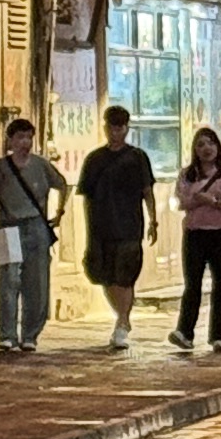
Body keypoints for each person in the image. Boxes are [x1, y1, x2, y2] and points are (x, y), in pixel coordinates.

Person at [76, 103, 159, 350]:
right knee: (104, 276)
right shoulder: (94, 160)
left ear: (126, 129)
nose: (115, 133)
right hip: (101, 227)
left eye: (119, 128)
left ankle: (122, 322)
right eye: (111, 128)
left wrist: (153, 220)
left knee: (125, 276)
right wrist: (89, 229)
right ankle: (122, 317)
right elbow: (86, 196)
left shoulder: (137, 158)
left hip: (129, 226)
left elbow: (147, 191)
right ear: (105, 128)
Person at [0, 114, 68, 353]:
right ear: (10, 140)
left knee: (36, 282)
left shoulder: (41, 165)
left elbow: (62, 184)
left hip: (35, 226)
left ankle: (30, 334)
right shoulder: (0, 167)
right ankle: (7, 335)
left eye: (29, 138)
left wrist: (59, 213)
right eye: (20, 137)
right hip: (6, 225)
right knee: (8, 281)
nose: (25, 142)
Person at [170, 122, 221, 354]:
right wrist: (197, 200)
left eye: (210, 143)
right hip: (195, 233)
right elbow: (181, 201)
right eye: (200, 144)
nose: (206, 148)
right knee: (192, 283)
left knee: (220, 282)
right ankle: (185, 332)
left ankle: (219, 335)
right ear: (195, 150)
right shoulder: (187, 174)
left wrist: (213, 202)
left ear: (218, 147)